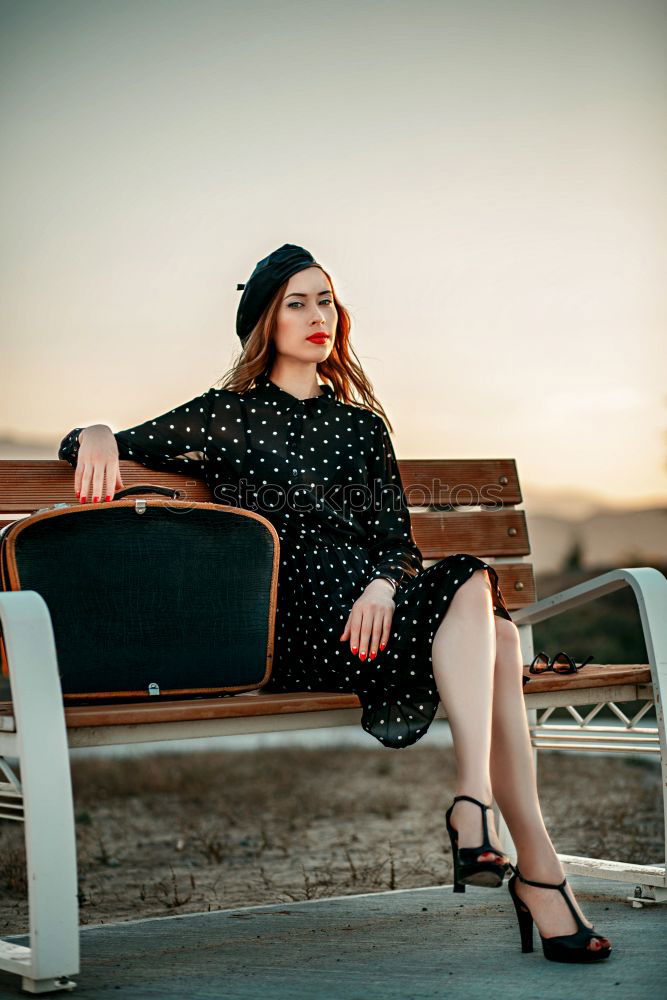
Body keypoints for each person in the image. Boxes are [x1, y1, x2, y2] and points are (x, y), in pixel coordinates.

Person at [58, 243, 611, 962]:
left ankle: (510, 846)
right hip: (293, 626)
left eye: (325, 300)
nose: (318, 316)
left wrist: (382, 587)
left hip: (372, 612)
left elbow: (396, 544)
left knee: (497, 633)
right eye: (297, 302)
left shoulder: (359, 426)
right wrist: (94, 432)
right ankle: (502, 843)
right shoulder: (226, 416)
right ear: (265, 321)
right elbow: (104, 443)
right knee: (488, 618)